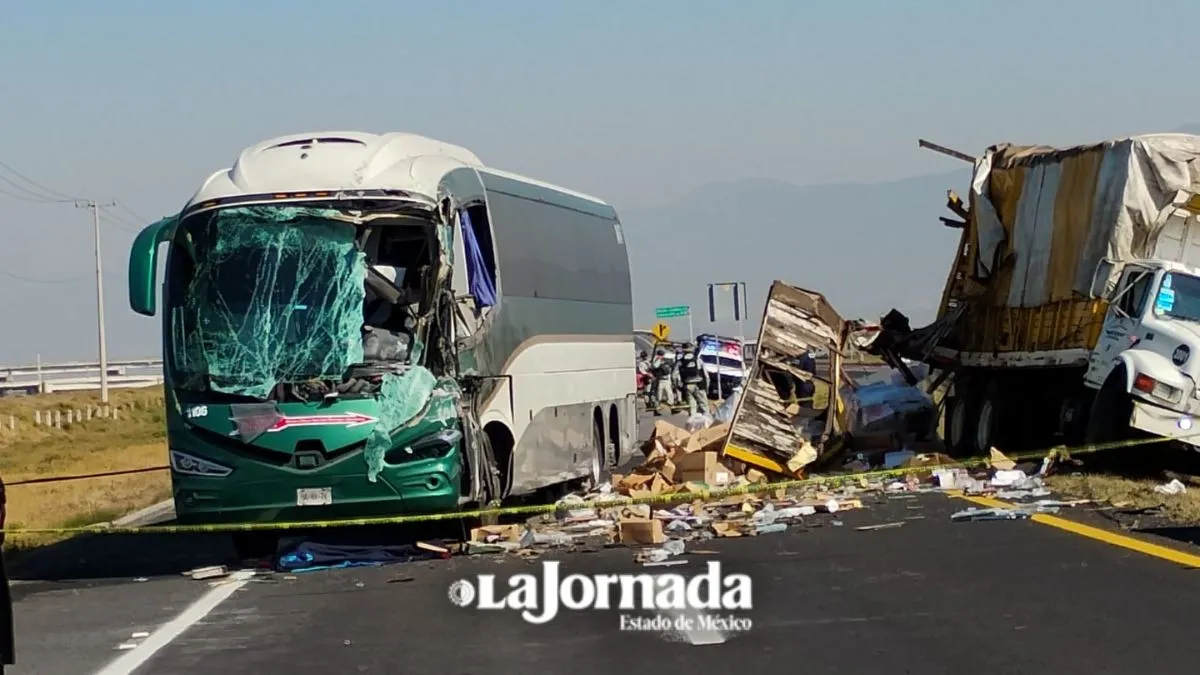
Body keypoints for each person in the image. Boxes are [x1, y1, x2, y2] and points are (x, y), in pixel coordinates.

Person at [677, 342, 710, 416]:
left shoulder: (680, 362)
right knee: (704, 406)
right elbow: (706, 376)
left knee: (692, 407)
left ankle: (692, 424)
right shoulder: (698, 360)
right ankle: (707, 423)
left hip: (688, 385)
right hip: (699, 385)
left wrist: (679, 387)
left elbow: (674, 376)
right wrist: (706, 387)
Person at [649, 347, 674, 416]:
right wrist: (659, 360)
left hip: (667, 379)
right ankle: (657, 407)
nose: (661, 356)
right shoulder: (657, 360)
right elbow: (655, 366)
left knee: (669, 393)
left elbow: (671, 366)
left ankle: (671, 405)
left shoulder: (667, 360)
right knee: (659, 394)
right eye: (660, 354)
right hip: (660, 379)